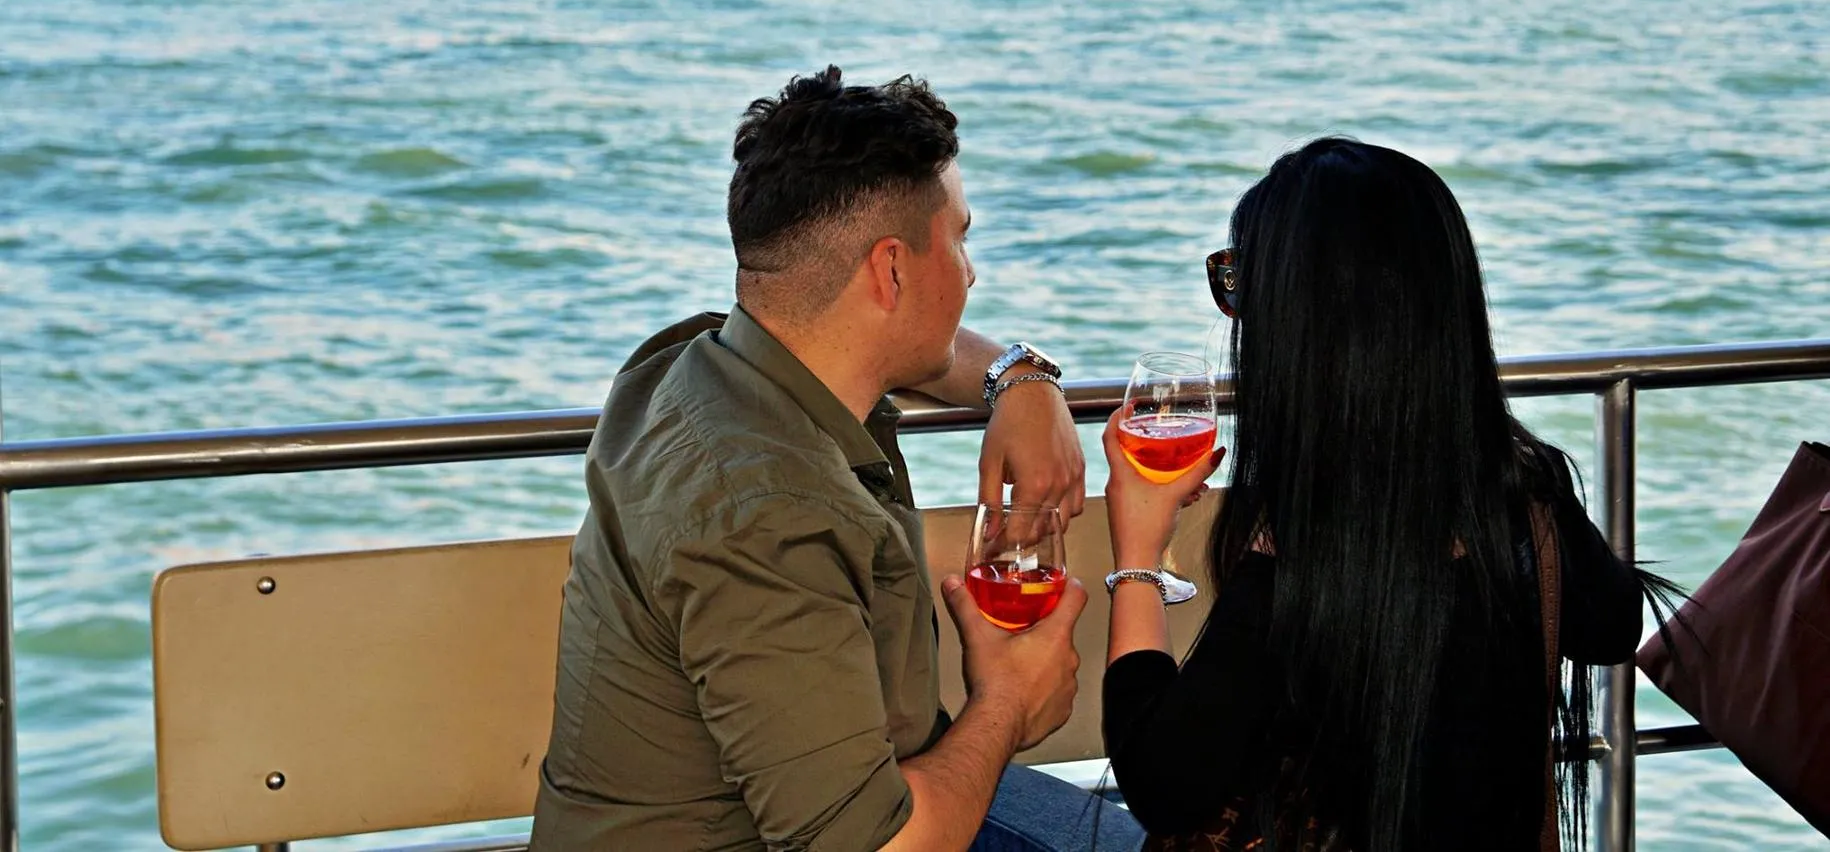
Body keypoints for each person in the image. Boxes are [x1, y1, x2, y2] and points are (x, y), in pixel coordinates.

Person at [531, 66, 1143, 852]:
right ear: (891, 269)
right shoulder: (766, 516)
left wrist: (1019, 381)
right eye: (959, 239)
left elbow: (922, 346)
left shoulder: (701, 360)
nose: (971, 271)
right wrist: (1009, 703)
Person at [1100, 138, 1668, 852]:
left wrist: (1137, 556)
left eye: (1244, 283)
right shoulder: (1526, 492)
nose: (1236, 311)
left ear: (1302, 331)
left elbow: (1163, 786)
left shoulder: (1298, 564)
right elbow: (1612, 626)